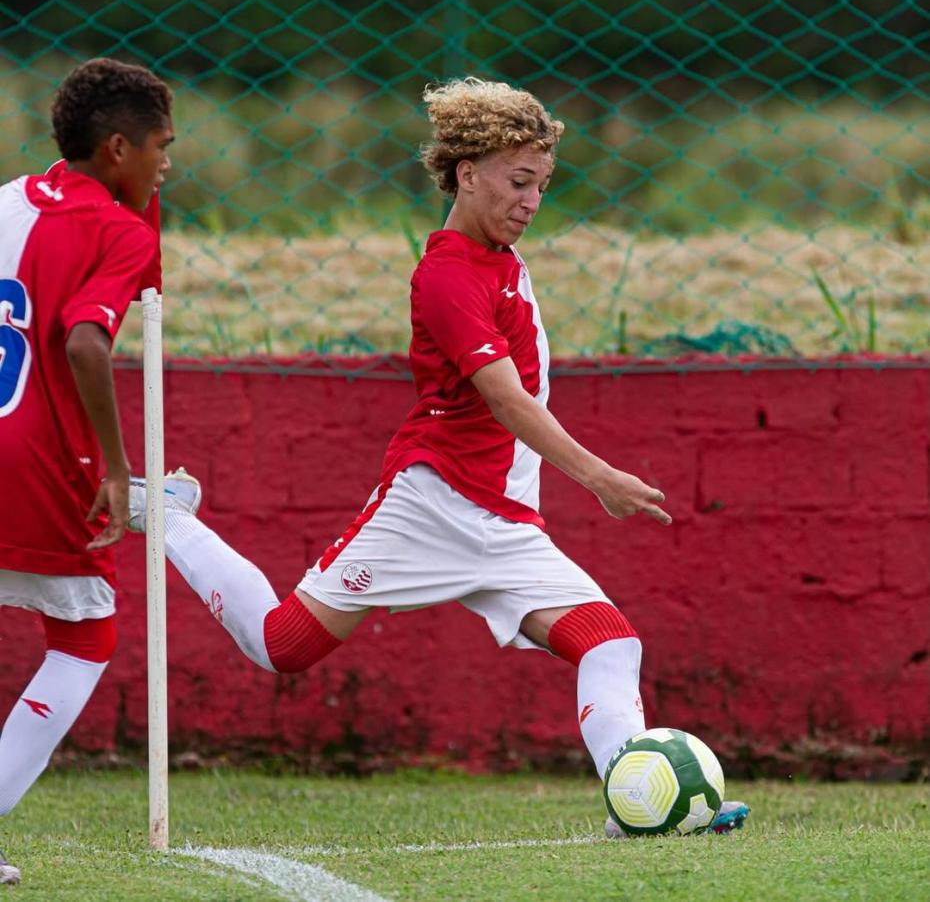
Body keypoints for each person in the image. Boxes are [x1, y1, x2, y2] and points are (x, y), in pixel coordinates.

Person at [130, 76, 748, 837]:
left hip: (505, 522)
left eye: (543, 185)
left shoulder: (504, 258)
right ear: (466, 174)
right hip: (433, 503)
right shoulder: (448, 274)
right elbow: (507, 399)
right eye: (519, 182)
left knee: (612, 643)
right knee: (281, 646)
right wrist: (599, 478)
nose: (532, 201)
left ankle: (638, 808)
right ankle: (169, 516)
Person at [0, 57, 173, 884]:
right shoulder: (119, 230)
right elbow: (83, 340)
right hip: (34, 462)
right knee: (84, 638)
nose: (166, 166)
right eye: (161, 149)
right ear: (116, 149)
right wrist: (117, 466)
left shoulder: (4, 201)